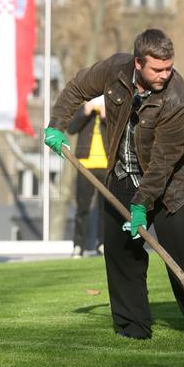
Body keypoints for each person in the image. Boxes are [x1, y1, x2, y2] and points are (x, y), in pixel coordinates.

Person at [44, 28, 184, 341]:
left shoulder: (178, 99)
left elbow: (164, 163)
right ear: (138, 63)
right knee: (119, 249)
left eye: (169, 67)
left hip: (177, 181)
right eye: (158, 68)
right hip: (125, 171)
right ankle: (133, 326)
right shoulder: (115, 70)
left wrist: (141, 206)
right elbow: (76, 88)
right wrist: (56, 126)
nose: (165, 75)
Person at [67, 96, 108, 258]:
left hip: (106, 166)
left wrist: (105, 116)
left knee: (105, 209)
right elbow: (71, 128)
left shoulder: (110, 109)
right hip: (85, 166)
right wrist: (85, 111)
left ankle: (103, 244)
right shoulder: (84, 109)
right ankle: (78, 245)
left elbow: (119, 131)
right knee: (82, 207)